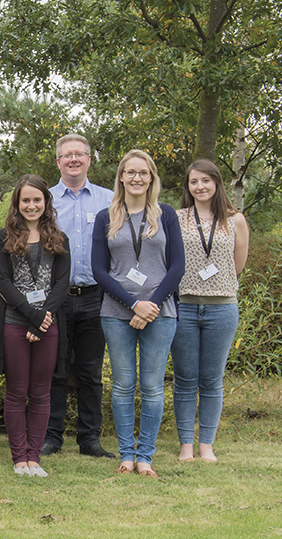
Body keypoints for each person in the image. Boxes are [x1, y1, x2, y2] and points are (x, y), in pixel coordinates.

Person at [93, 150, 184, 477]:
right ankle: (126, 455)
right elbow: (99, 270)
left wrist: (151, 305)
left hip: (161, 311)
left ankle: (145, 455)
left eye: (143, 173)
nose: (136, 178)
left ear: (152, 177)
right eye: (130, 172)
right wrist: (134, 304)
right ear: (121, 176)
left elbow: (177, 267)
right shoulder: (106, 217)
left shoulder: (167, 215)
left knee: (152, 386)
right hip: (117, 313)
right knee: (122, 385)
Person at [171, 159, 249, 463]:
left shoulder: (235, 219)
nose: (199, 186)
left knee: (212, 379)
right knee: (185, 378)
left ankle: (207, 445)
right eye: (194, 182)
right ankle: (185, 445)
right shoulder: (178, 218)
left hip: (222, 308)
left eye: (205, 180)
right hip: (185, 307)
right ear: (188, 186)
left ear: (216, 182)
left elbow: (237, 264)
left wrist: (216, 281)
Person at [0, 175, 70, 478]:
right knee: (16, 392)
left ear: (46, 203)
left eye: (37, 200)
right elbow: (2, 282)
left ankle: (34, 457)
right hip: (14, 323)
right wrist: (32, 316)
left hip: (48, 325)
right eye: (26, 200)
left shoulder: (59, 239)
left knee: (41, 392)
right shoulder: (3, 238)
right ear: (17, 203)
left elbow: (61, 284)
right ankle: (18, 458)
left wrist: (43, 319)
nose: (31, 205)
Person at [44, 134, 116, 458]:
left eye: (80, 154)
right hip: (56, 296)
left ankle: (89, 439)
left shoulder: (109, 199)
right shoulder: (44, 200)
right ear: (58, 161)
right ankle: (52, 437)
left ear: (89, 159)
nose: (74, 159)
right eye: (67, 155)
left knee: (90, 372)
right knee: (55, 370)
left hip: (95, 296)